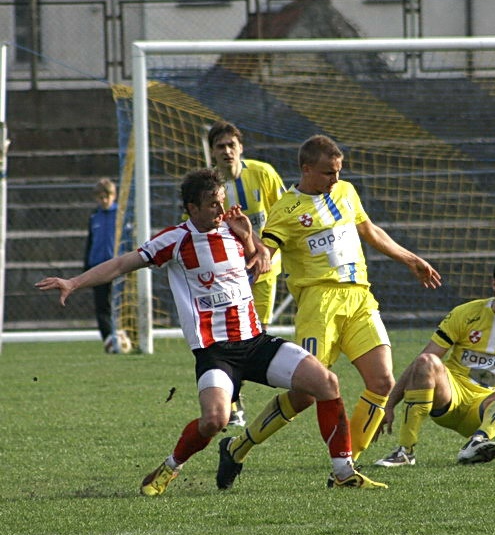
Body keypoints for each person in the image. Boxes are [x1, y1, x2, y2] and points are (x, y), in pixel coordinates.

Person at [36, 168, 386, 494]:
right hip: (215, 353)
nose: (221, 210)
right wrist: (74, 282)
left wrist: (250, 240)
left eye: (222, 202)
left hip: (254, 342)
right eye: (212, 205)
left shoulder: (234, 230)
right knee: (215, 420)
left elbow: (261, 262)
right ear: (192, 208)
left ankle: (343, 472)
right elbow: (122, 263)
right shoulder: (175, 240)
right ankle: (170, 467)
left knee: (327, 383)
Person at [218, 134, 442, 473]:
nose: (336, 179)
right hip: (318, 306)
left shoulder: (346, 192)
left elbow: (370, 230)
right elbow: (265, 254)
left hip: (359, 298)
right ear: (306, 169)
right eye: (328, 173)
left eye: (338, 171)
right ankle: (238, 446)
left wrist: (410, 258)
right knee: (307, 393)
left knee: (382, 382)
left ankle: (347, 465)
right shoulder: (287, 210)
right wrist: (251, 247)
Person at [375, 253, 495, 467]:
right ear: (494, 284)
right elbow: (419, 365)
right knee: (427, 360)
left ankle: (479, 441)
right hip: (451, 398)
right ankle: (405, 451)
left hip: (488, 409)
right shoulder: (466, 313)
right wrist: (389, 404)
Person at [207, 121, 288, 426]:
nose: (227, 151)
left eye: (231, 145)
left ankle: (236, 398)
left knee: (255, 338)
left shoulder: (263, 173)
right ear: (212, 152)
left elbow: (283, 213)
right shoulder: (209, 185)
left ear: (241, 148)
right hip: (227, 277)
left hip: (265, 271)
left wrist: (267, 250)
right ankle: (233, 405)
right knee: (230, 340)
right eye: (220, 146)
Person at [84, 178, 122, 352]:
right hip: (98, 267)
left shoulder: (120, 214)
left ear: (113, 196)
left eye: (107, 196)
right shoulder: (94, 217)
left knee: (119, 303)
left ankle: (124, 336)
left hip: (118, 266)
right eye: (100, 197)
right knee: (102, 306)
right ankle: (108, 339)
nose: (104, 200)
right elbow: (90, 241)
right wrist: (87, 264)